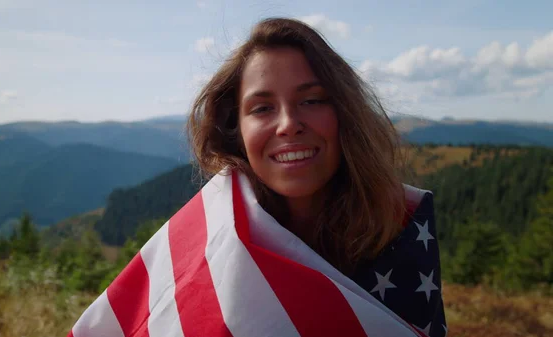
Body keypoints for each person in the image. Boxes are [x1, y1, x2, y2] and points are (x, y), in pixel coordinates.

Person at [67, 17, 446, 337]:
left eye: (311, 100)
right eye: (262, 107)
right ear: (237, 129)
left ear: (345, 114)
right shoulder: (211, 243)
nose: (288, 125)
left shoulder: (401, 236)